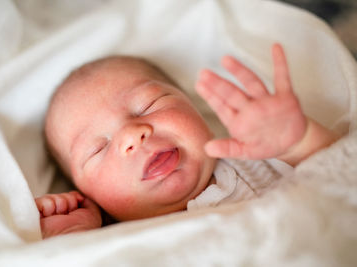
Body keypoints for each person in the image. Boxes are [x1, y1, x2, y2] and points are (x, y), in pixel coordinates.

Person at [35, 44, 339, 238]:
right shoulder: (117, 239)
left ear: (195, 107)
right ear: (88, 197)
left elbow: (341, 181)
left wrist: (298, 143)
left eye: (148, 106)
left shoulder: (258, 155)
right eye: (97, 149)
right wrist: (74, 239)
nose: (132, 134)